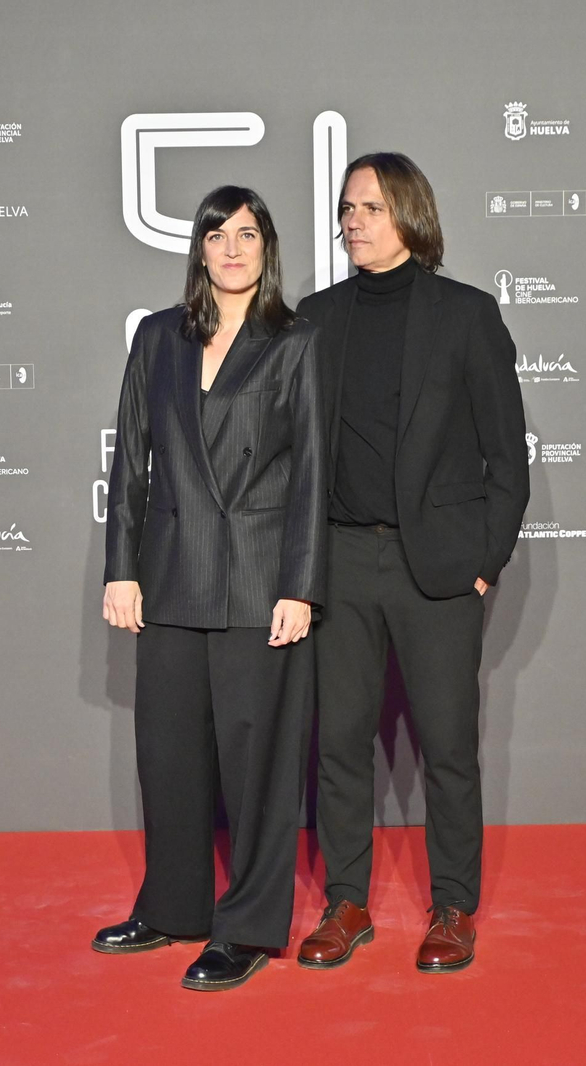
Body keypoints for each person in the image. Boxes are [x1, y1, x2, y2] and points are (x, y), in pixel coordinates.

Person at [294, 152, 528, 974]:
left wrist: (482, 563)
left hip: (437, 571)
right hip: (344, 561)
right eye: (346, 207)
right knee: (339, 744)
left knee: (449, 747)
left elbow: (508, 457)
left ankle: (454, 908)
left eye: (369, 207)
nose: (352, 220)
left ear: (410, 217)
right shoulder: (315, 318)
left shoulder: (467, 316)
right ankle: (346, 903)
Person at [93, 185, 327, 992]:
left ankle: (250, 928)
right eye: (217, 233)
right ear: (197, 247)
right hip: (169, 578)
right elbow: (130, 460)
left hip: (261, 583)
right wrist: (120, 567)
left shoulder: (295, 342)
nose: (233, 248)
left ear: (268, 249)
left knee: (257, 766)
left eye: (249, 234)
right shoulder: (158, 338)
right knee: (169, 757)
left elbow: (312, 479)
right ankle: (172, 909)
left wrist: (300, 585)